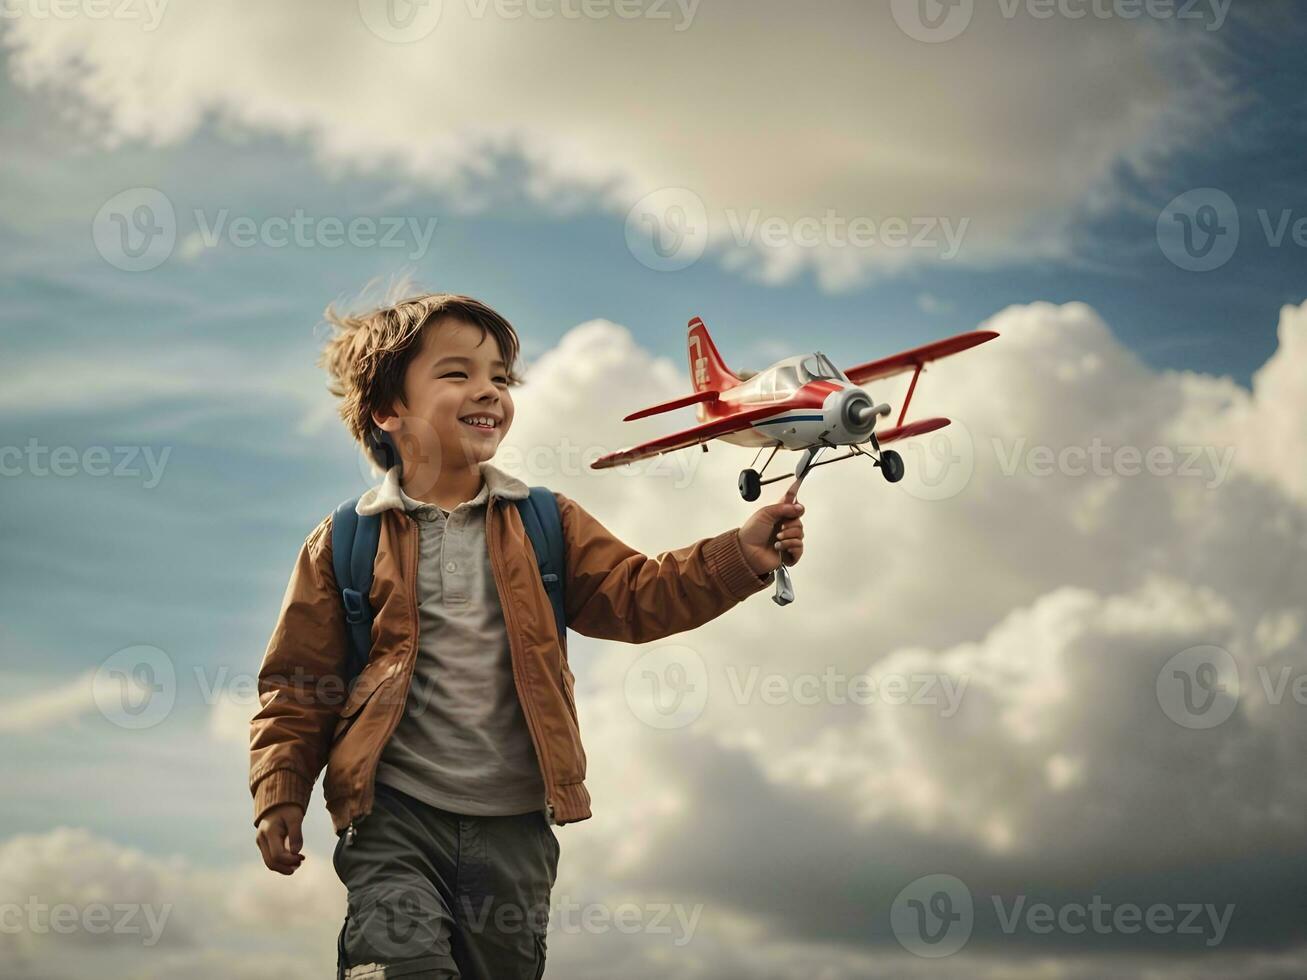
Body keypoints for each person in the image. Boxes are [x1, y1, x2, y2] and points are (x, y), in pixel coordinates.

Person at [249, 290, 805, 978]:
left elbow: (637, 596)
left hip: (514, 824)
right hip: (393, 815)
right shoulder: (346, 541)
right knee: (400, 963)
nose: (488, 391)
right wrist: (280, 791)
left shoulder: (544, 521)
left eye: (500, 378)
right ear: (388, 412)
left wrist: (738, 556)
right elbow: (297, 685)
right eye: (457, 374)